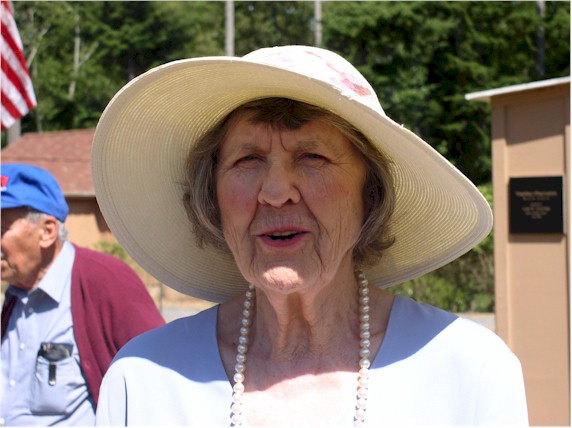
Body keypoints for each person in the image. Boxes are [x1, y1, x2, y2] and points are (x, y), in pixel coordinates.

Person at [91, 45, 528, 426]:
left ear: (370, 194)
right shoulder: (144, 380)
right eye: (248, 160)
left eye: (312, 157)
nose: (276, 191)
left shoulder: (468, 372)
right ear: (213, 198)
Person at [0, 163, 165, 426]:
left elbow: (160, 378)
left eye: (2, 229)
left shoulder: (106, 280)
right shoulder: (16, 295)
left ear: (47, 232)